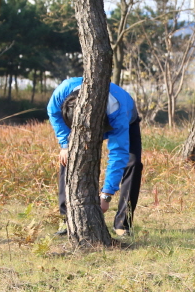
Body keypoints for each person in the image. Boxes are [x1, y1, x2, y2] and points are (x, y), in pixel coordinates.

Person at [47, 77, 143, 236]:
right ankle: (68, 219)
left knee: (132, 163)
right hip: (85, 115)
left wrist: (106, 195)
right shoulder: (62, 91)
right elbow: (53, 112)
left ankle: (122, 224)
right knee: (68, 157)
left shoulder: (118, 111)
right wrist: (65, 144)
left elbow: (118, 153)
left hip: (125, 117)